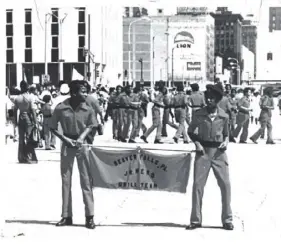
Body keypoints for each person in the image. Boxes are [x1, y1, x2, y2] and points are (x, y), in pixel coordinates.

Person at [49, 80, 97, 229]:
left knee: (86, 181)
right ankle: (66, 216)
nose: (85, 94)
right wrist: (65, 139)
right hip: (67, 146)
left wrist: (82, 137)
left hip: (82, 146)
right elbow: (52, 126)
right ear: (74, 92)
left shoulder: (88, 109)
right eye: (83, 91)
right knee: (66, 181)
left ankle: (89, 217)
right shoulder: (61, 108)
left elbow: (92, 124)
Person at [186, 83, 233, 231]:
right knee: (198, 186)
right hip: (203, 152)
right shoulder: (198, 114)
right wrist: (197, 143)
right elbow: (191, 131)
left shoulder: (224, 116)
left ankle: (227, 219)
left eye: (212, 98)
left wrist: (226, 142)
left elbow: (227, 135)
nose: (209, 100)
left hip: (219, 153)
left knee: (225, 185)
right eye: (208, 97)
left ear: (218, 99)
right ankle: (195, 220)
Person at [13, 81, 38, 164]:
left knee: (21, 138)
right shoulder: (30, 97)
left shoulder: (17, 98)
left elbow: (14, 111)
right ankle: (29, 157)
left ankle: (21, 157)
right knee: (29, 137)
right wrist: (35, 122)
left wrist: (15, 122)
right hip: (28, 118)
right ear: (27, 88)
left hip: (20, 117)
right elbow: (33, 110)